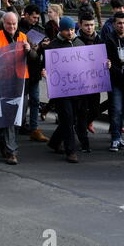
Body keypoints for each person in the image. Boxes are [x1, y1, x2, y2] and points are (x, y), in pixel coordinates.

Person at [0, 12, 38, 165]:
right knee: (8, 117)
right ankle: (11, 151)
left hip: (21, 83)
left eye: (14, 24)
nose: (11, 27)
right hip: (3, 82)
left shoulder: (24, 37)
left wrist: (29, 51)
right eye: (8, 24)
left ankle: (3, 141)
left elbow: (34, 58)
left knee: (18, 118)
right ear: (3, 23)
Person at [42, 17, 87, 163]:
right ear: (61, 30)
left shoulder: (79, 43)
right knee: (67, 118)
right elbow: (46, 66)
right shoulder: (53, 46)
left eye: (72, 29)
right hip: (61, 90)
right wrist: (45, 73)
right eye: (67, 29)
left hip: (77, 89)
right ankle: (71, 151)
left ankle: (54, 142)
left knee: (71, 118)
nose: (70, 32)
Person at [18, 4, 49, 143]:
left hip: (35, 70)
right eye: (34, 17)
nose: (36, 20)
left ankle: (34, 128)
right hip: (19, 70)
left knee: (35, 100)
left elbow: (43, 53)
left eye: (37, 17)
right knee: (21, 101)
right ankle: (19, 124)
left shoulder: (39, 30)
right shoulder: (17, 28)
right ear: (26, 15)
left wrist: (43, 46)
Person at [77, 13, 107, 137]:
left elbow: (104, 56)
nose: (89, 28)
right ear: (80, 24)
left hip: (95, 82)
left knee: (95, 110)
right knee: (82, 111)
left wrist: (107, 62)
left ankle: (83, 125)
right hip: (79, 83)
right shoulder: (76, 40)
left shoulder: (99, 39)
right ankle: (82, 136)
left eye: (92, 25)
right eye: (86, 25)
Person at [105, 12, 124, 152]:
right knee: (116, 109)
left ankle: (119, 137)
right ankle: (115, 138)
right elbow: (108, 61)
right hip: (115, 80)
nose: (122, 26)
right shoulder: (109, 39)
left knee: (123, 111)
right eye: (119, 23)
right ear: (114, 24)